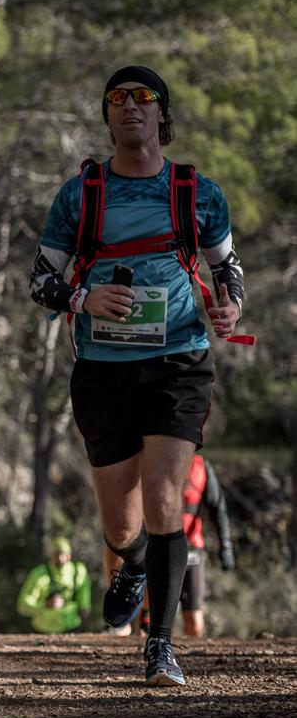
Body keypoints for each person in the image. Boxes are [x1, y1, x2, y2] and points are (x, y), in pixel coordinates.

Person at [28, 65, 248, 686]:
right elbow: (40, 280)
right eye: (117, 99)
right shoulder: (81, 195)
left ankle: (160, 645)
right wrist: (82, 300)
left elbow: (228, 268)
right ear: (107, 117)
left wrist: (229, 305)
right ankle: (134, 563)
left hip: (179, 360)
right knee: (122, 524)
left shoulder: (196, 192)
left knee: (163, 498)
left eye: (142, 97)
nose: (129, 106)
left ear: (161, 116)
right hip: (102, 368)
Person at [105, 453, 238, 637]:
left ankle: (192, 660)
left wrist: (226, 545)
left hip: (192, 549)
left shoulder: (200, 466)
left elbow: (218, 507)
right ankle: (145, 645)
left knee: (194, 620)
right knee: (152, 611)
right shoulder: (153, 458)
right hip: (157, 545)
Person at [16, 537, 92, 634]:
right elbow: (22, 606)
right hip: (42, 629)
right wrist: (45, 605)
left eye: (63, 555)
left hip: (71, 627)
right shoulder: (38, 575)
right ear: (51, 555)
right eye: (56, 554)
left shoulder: (78, 571)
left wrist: (84, 607)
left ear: (69, 556)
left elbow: (84, 595)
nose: (60, 559)